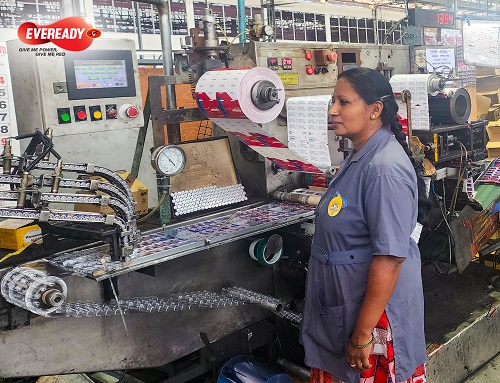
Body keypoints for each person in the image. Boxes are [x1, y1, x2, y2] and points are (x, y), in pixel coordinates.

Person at [300, 67, 430, 383]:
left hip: (374, 322)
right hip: (348, 305)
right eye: (333, 101)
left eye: (343, 102)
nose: (332, 110)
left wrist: (361, 334)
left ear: (375, 110)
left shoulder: (384, 169)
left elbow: (390, 258)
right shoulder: (361, 155)